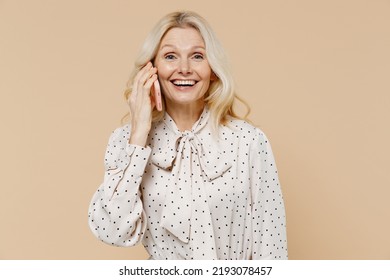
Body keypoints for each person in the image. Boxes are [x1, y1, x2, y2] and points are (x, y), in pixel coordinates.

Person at [88, 11, 288, 260]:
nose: (184, 69)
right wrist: (139, 133)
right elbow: (112, 230)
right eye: (170, 56)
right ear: (152, 69)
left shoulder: (247, 141)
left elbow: (271, 248)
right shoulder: (126, 141)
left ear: (212, 69)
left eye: (197, 56)